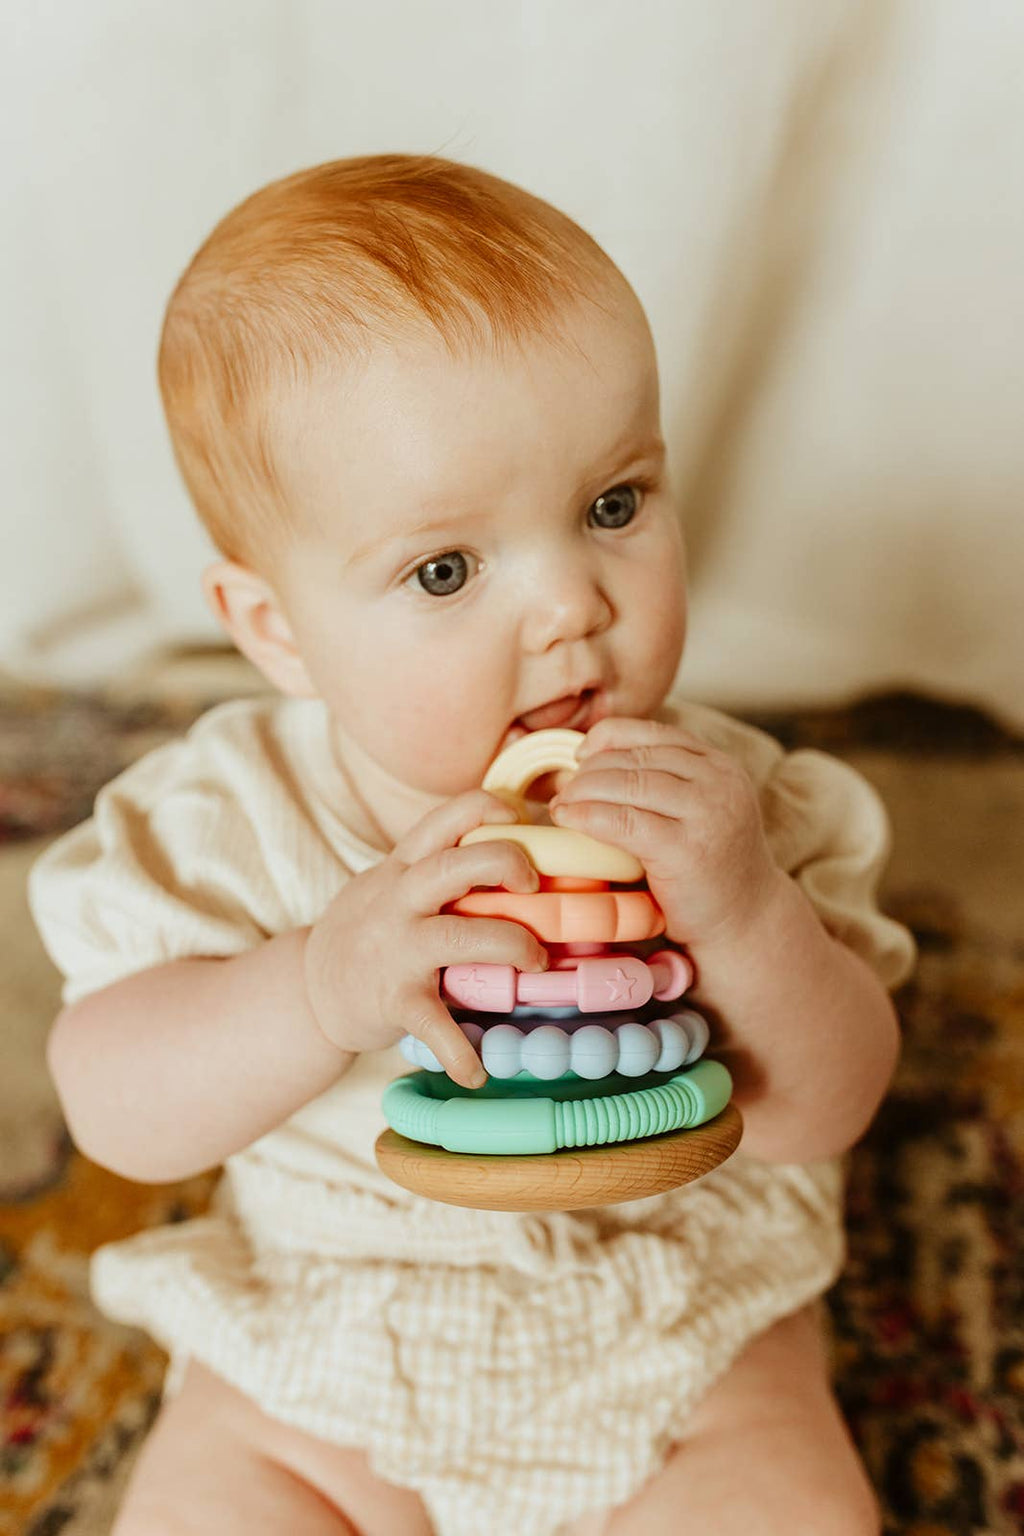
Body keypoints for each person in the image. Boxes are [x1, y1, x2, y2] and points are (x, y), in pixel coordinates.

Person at [29, 154, 915, 1536]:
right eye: (445, 570)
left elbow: (830, 1107)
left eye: (613, 505)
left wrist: (746, 915)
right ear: (275, 630)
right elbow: (118, 1110)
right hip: (326, 1351)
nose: (572, 605)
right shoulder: (227, 820)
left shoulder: (736, 805)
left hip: (680, 1326)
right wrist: (315, 984)